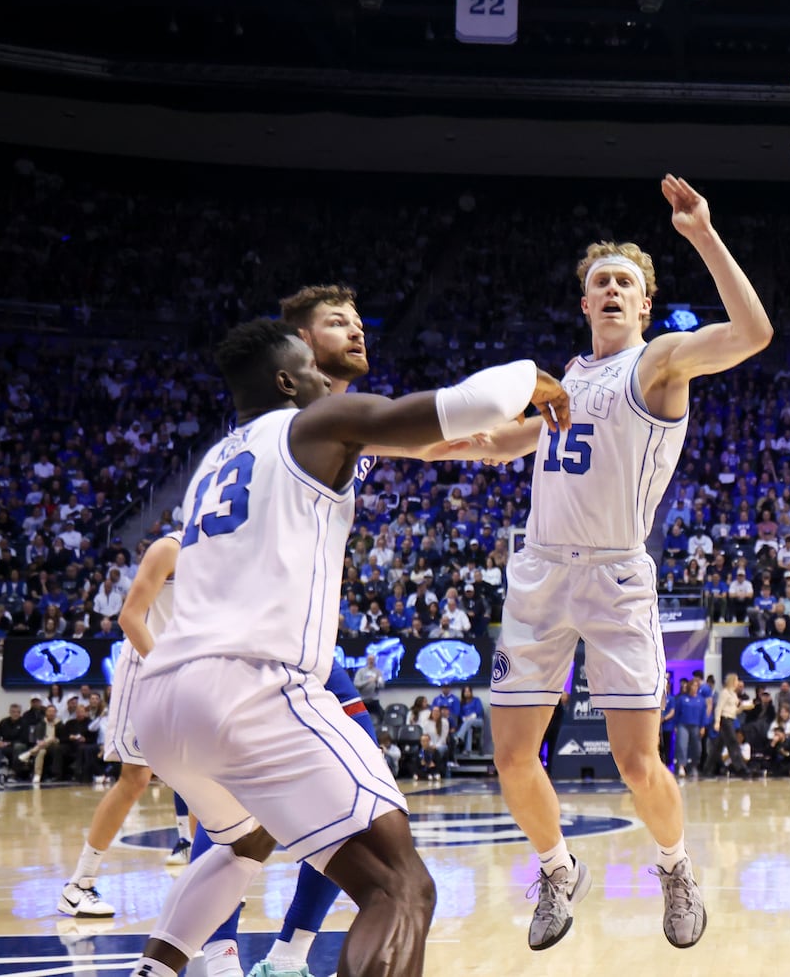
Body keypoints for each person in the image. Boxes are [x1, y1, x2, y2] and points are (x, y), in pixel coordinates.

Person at [125, 317, 567, 977]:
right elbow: (470, 405)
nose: (320, 375)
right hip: (253, 687)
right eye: (309, 364)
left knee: (243, 841)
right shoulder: (314, 422)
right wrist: (536, 378)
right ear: (286, 379)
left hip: (161, 701)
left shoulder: (215, 462)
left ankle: (153, 969)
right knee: (402, 887)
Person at [466, 175, 771, 951]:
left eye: (625, 282)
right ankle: (556, 868)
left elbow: (753, 331)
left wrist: (701, 231)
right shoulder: (563, 380)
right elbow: (501, 443)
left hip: (613, 575)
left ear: (643, 304)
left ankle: (675, 867)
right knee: (510, 755)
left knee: (638, 762)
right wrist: (397, 435)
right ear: (583, 302)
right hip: (538, 573)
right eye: (599, 280)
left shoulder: (661, 362)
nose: (610, 288)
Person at [58, 535, 195, 920]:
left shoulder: (223, 551)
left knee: (201, 779)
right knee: (135, 778)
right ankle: (78, 885)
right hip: (147, 672)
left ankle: (201, 880)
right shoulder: (170, 548)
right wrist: (166, 668)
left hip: (188, 675)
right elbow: (129, 617)